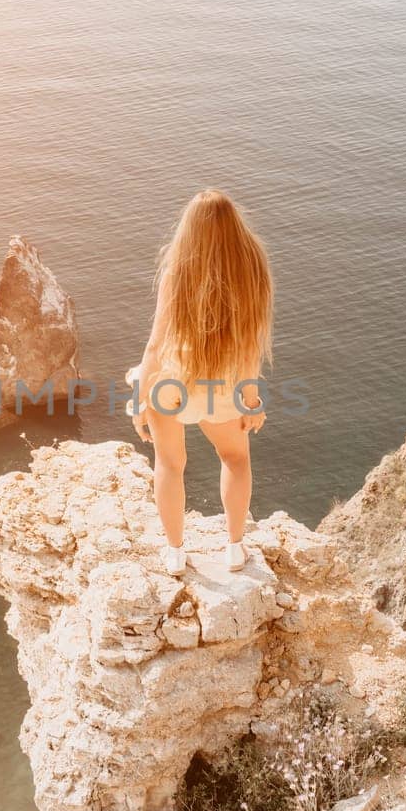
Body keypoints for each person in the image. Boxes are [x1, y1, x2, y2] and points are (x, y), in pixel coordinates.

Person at [130, 189, 274, 574]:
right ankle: (234, 547)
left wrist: (139, 400)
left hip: (171, 384)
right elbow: (250, 346)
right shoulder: (254, 270)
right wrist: (251, 399)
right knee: (236, 458)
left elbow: (156, 345)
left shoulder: (178, 271)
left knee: (170, 464)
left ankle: (175, 553)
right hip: (224, 386)